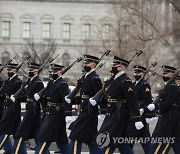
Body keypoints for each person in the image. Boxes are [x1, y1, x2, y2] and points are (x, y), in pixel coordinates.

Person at [90, 56, 144, 154]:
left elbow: (132, 101)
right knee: (123, 144)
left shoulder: (125, 81)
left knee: (107, 141)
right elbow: (107, 96)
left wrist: (137, 118)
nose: (113, 67)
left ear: (121, 67)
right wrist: (101, 107)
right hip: (112, 113)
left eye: (115, 66)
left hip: (119, 115)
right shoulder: (114, 79)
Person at [65, 54, 102, 154]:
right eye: (85, 62)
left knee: (75, 136)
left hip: (89, 113)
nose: (85, 64)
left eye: (87, 63)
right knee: (92, 141)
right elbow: (83, 95)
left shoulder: (95, 78)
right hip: (85, 110)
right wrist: (71, 98)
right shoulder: (86, 77)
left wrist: (101, 110)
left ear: (94, 65)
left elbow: (101, 95)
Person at [34, 63, 69, 154]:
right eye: (52, 71)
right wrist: (40, 97)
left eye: (55, 71)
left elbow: (66, 100)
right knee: (62, 140)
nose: (52, 73)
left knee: (45, 137)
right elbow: (47, 97)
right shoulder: (53, 83)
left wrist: (68, 113)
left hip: (56, 114)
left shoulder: (62, 84)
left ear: (60, 72)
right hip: (51, 112)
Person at [10, 62, 44, 154]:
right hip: (30, 107)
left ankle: (15, 151)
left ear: (36, 71)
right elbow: (27, 95)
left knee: (21, 131)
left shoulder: (38, 82)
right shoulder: (31, 80)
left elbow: (42, 97)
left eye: (31, 70)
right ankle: (44, 151)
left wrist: (44, 110)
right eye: (29, 70)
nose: (29, 71)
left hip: (33, 109)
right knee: (37, 133)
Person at [145, 65, 179, 154]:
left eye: (166, 73)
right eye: (163, 73)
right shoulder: (167, 86)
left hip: (169, 117)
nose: (164, 75)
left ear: (172, 74)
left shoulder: (172, 86)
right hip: (165, 116)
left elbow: (169, 103)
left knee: (162, 143)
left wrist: (158, 107)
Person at [0, 63, 22, 153]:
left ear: (14, 70)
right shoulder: (7, 81)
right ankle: (19, 150)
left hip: (13, 108)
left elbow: (21, 95)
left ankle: (8, 148)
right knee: (18, 131)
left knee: (3, 128)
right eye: (8, 70)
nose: (8, 71)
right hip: (7, 106)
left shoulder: (18, 81)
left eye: (10, 70)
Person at [132, 65, 152, 153]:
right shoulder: (133, 84)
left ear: (143, 74)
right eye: (135, 72)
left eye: (138, 72)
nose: (136, 74)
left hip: (141, 114)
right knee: (131, 136)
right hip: (133, 113)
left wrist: (144, 110)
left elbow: (147, 101)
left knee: (144, 137)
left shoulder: (145, 84)